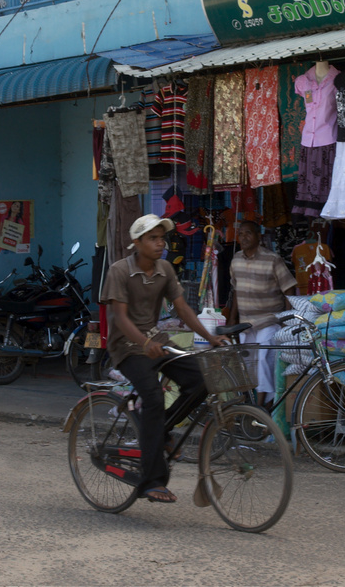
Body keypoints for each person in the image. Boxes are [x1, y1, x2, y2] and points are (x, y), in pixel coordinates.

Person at [103, 213, 227, 504]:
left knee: (200, 379)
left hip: (157, 342)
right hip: (127, 348)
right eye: (153, 238)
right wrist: (144, 342)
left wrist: (211, 337)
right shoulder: (119, 271)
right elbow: (119, 318)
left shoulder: (165, 270)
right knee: (155, 399)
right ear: (137, 243)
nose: (161, 244)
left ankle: (162, 431)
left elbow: (182, 309)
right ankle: (152, 481)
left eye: (162, 238)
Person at [229, 221, 297, 407]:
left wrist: (286, 320)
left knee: (263, 360)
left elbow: (289, 289)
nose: (244, 237)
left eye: (248, 233)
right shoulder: (236, 260)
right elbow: (236, 290)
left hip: (268, 320)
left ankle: (262, 404)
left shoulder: (272, 259)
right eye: (241, 233)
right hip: (245, 323)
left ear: (258, 236)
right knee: (246, 362)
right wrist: (232, 318)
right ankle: (253, 401)